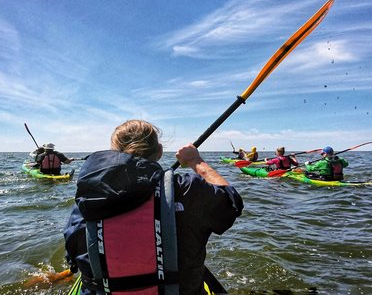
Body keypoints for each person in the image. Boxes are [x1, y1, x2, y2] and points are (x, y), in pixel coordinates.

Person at [63, 119, 243, 295]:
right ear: (159, 152)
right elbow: (231, 203)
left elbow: (72, 257)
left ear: (114, 153)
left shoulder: (86, 201)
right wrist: (196, 161)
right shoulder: (187, 189)